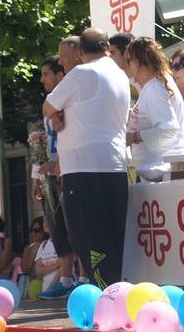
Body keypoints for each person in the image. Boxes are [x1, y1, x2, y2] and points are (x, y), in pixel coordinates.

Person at [43, 28, 132, 288]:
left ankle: (105, 296)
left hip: (83, 169)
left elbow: (48, 105)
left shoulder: (81, 74)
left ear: (80, 52)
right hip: (114, 166)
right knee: (114, 236)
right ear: (106, 47)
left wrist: (55, 113)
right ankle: (116, 293)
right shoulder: (120, 74)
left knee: (89, 237)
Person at [35, 55, 77, 300]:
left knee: (74, 226)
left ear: (60, 75)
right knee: (58, 226)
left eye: (46, 74)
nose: (42, 80)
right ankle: (65, 279)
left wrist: (60, 163)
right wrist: (35, 176)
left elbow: (72, 136)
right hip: (50, 173)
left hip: (69, 170)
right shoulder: (49, 103)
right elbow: (46, 142)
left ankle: (81, 278)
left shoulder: (71, 100)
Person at [125, 36, 184, 168]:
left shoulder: (155, 88)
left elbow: (169, 130)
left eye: (129, 61)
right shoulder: (157, 84)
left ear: (136, 62)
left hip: (162, 169)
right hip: (162, 167)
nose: (129, 66)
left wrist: (133, 137)